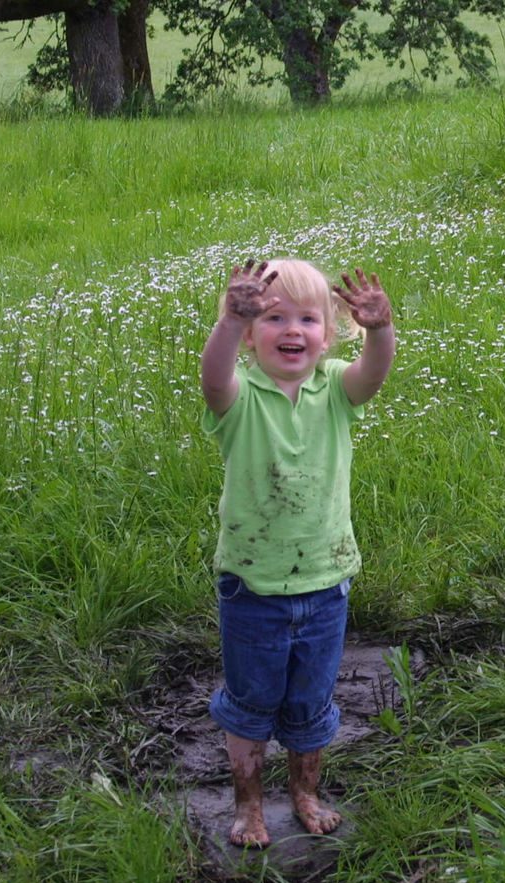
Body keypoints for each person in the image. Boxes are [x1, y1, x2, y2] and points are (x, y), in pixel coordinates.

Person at [200, 257, 395, 847]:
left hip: (325, 577)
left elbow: (374, 374)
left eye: (307, 319)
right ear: (250, 334)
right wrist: (230, 319)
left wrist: (382, 329)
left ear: (329, 334)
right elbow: (211, 377)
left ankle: (306, 793)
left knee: (311, 703)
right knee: (250, 703)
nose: (292, 330)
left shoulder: (336, 387)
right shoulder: (239, 398)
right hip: (251, 585)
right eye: (271, 317)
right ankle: (249, 803)